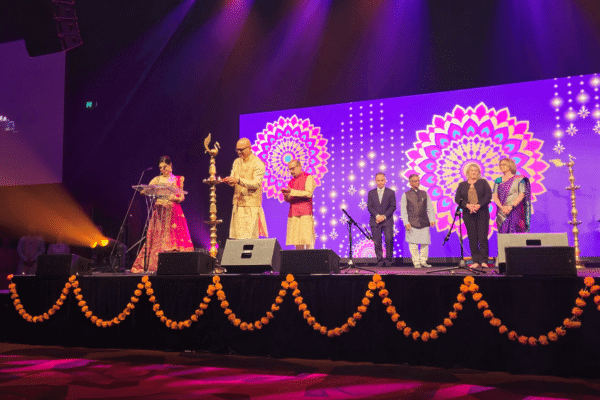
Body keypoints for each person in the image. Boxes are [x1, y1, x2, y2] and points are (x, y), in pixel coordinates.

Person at [131, 156, 194, 273]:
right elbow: (146, 191)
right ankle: (154, 265)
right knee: (157, 238)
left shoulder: (178, 179)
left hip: (173, 212)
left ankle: (175, 266)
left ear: (170, 166)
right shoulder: (156, 179)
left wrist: (172, 196)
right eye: (160, 168)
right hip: (159, 212)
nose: (162, 170)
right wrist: (144, 190)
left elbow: (181, 197)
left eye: (164, 167)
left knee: (173, 239)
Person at [223, 138, 268, 239]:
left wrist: (238, 180)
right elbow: (233, 179)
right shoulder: (236, 162)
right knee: (237, 238)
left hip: (250, 206)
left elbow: (256, 184)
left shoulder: (258, 163)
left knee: (249, 239)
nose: (239, 152)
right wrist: (229, 181)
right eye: (237, 150)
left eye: (241, 150)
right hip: (237, 204)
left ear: (250, 148)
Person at [455, 163, 492, 269]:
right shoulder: (462, 185)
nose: (473, 172)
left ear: (479, 173)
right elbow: (457, 199)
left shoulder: (483, 182)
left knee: (482, 237)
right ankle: (475, 260)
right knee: (472, 237)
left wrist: (478, 205)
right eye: (471, 170)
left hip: (482, 213)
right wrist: (467, 206)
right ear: (467, 173)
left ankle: (484, 260)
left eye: (476, 170)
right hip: (468, 213)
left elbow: (488, 196)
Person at [400, 174, 436, 268]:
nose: (417, 182)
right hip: (412, 223)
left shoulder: (424, 193)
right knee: (413, 244)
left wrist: (432, 219)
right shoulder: (406, 195)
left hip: (424, 221)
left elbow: (430, 208)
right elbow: (403, 210)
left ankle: (423, 261)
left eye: (418, 180)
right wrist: (406, 222)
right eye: (415, 181)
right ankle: (416, 262)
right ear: (410, 182)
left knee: (425, 243)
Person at [281, 160, 316, 249]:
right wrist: (286, 196)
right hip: (293, 213)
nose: (291, 172)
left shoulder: (308, 177)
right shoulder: (291, 182)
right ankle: (299, 262)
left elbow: (308, 194)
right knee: (297, 242)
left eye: (293, 169)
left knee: (307, 241)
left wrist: (291, 191)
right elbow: (290, 199)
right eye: (290, 170)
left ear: (299, 166)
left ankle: (311, 262)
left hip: (305, 213)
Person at [492, 157, 531, 233]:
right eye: (500, 165)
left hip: (516, 211)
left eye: (503, 164)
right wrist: (502, 207)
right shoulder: (498, 180)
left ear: (510, 165)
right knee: (504, 239)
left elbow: (521, 195)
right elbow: (495, 196)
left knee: (516, 237)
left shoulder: (520, 179)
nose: (501, 166)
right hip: (502, 213)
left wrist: (511, 207)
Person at [367, 172, 396, 267]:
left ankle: (388, 261)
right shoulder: (371, 193)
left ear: (385, 180)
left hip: (387, 221)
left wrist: (383, 216)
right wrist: (377, 216)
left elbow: (393, 206)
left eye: (382, 180)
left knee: (388, 239)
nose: (380, 182)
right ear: (375, 181)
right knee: (377, 241)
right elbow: (369, 207)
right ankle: (379, 260)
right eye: (378, 181)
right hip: (375, 221)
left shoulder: (391, 192)